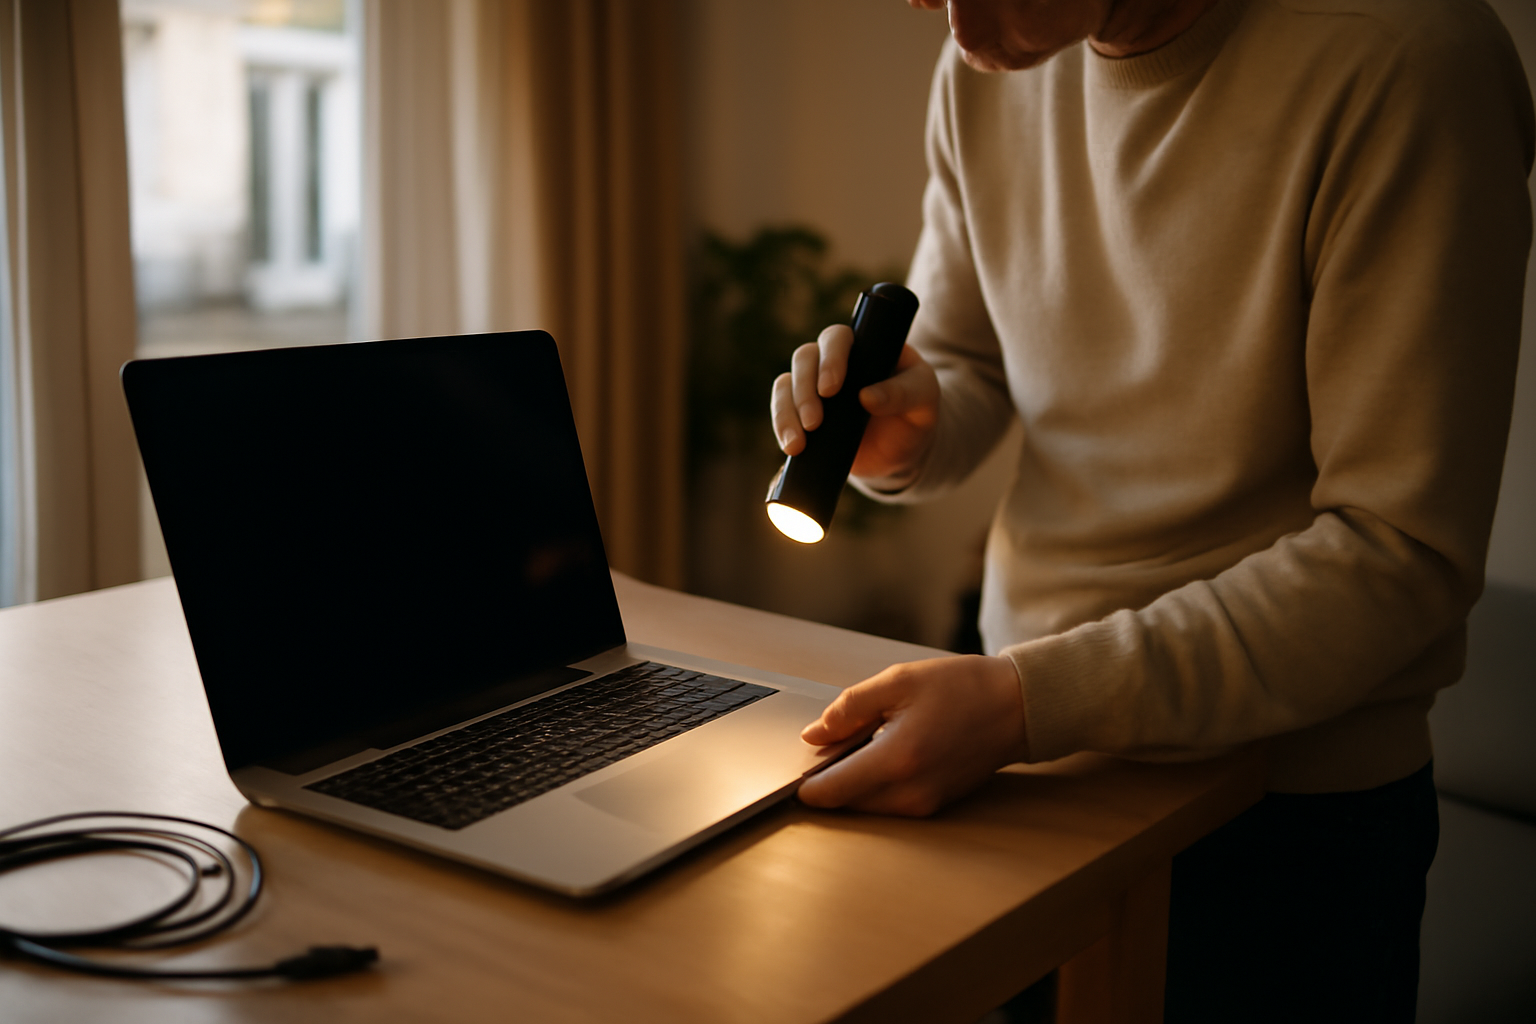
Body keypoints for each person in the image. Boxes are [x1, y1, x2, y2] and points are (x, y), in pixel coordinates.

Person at [769, 0, 1534, 1019]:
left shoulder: (1407, 60)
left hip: (1281, 814)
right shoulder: (987, 62)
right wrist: (911, 434)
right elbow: (966, 356)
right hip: (1014, 761)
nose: (949, 17)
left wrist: (1027, 701)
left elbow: (1399, 553)